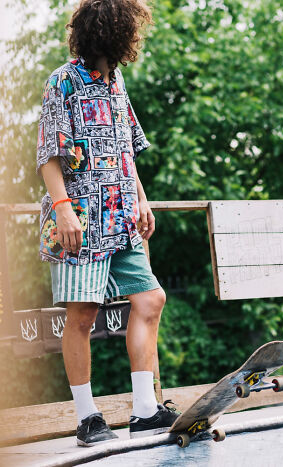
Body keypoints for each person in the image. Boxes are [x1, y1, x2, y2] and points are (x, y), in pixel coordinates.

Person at [36, 0, 178, 446]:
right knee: (82, 316)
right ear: (111, 32)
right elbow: (47, 155)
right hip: (78, 219)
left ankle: (143, 410)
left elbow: (126, 151)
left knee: (151, 299)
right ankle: (87, 419)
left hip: (120, 217)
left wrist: (142, 200)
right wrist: (62, 209)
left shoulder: (117, 84)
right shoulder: (63, 82)